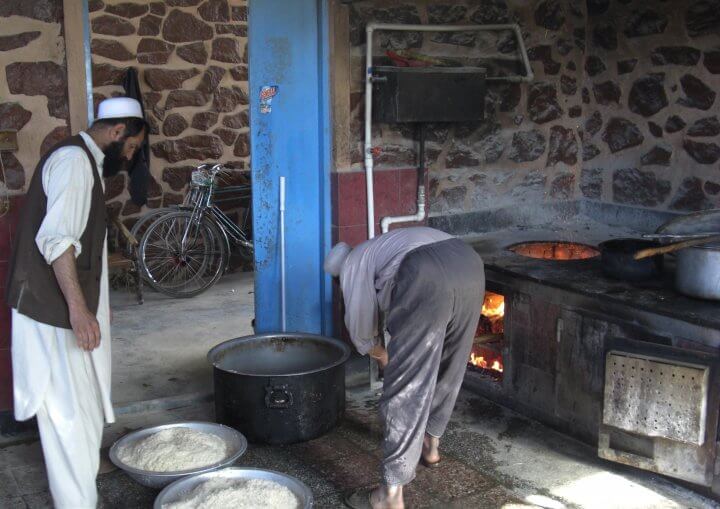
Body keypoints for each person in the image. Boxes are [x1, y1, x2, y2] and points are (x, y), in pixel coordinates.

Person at [5, 97, 148, 509]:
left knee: (81, 403)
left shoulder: (83, 161)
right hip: (51, 312)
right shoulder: (73, 163)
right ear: (118, 132)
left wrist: (96, 303)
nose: (130, 156)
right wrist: (80, 309)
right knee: (66, 412)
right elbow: (57, 242)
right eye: (133, 147)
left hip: (63, 307)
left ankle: (85, 481)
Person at [325, 227, 485, 509]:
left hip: (426, 274)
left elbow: (362, 328)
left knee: (407, 389)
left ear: (338, 275)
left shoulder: (352, 265)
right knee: (450, 365)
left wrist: (384, 358)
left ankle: (389, 496)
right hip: (469, 262)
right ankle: (430, 447)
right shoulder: (380, 247)